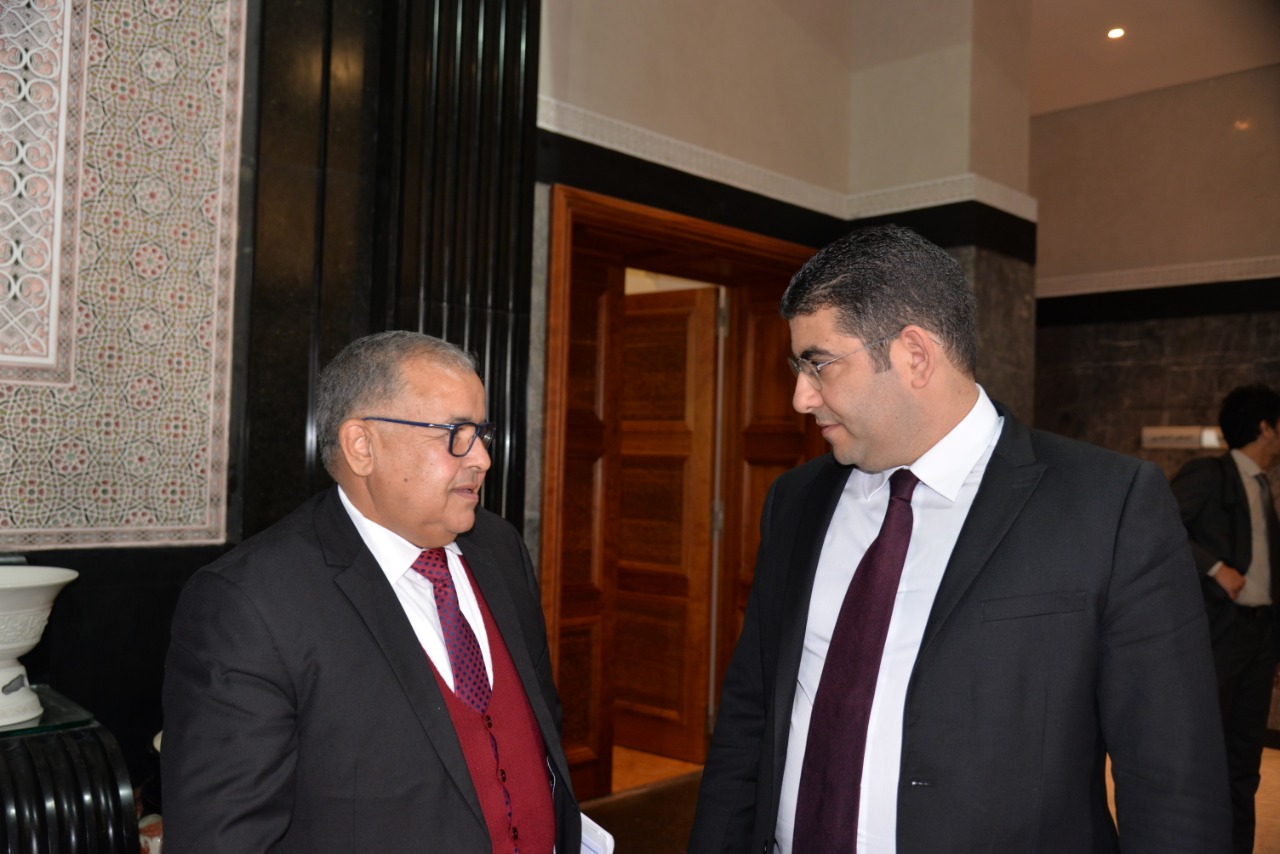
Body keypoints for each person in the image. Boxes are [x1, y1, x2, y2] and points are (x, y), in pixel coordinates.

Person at [688, 225, 1230, 853]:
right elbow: (751, 715)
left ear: (914, 355)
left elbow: (1172, 781)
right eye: (798, 367)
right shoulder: (796, 500)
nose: (801, 398)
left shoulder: (1107, 505)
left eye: (820, 364)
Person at [162, 331, 581, 853]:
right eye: (456, 433)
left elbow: (538, 729)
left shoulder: (500, 548)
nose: (481, 459)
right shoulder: (250, 602)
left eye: (482, 434)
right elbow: (223, 839)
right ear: (362, 446)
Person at [1171, 383, 1280, 854]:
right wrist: (1215, 568)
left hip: (1260, 636)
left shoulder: (1263, 486)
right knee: (1203, 757)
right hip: (1220, 633)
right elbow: (1158, 522)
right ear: (1266, 428)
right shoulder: (1210, 474)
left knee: (1244, 762)